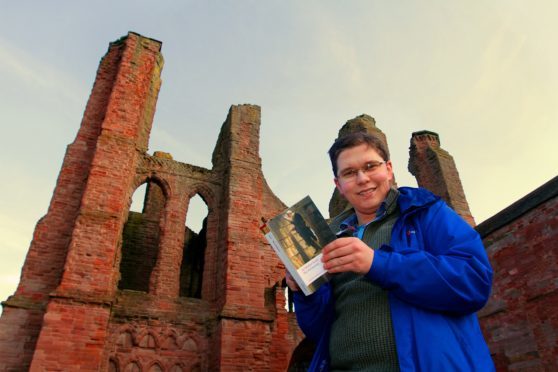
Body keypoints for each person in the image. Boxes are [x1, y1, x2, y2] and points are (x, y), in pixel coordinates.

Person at [286, 132, 494, 371]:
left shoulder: (427, 212)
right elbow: (317, 330)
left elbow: (474, 281)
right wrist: (304, 292)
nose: (362, 179)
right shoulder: (327, 239)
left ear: (388, 168)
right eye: (349, 173)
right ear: (339, 185)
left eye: (370, 166)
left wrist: (376, 263)